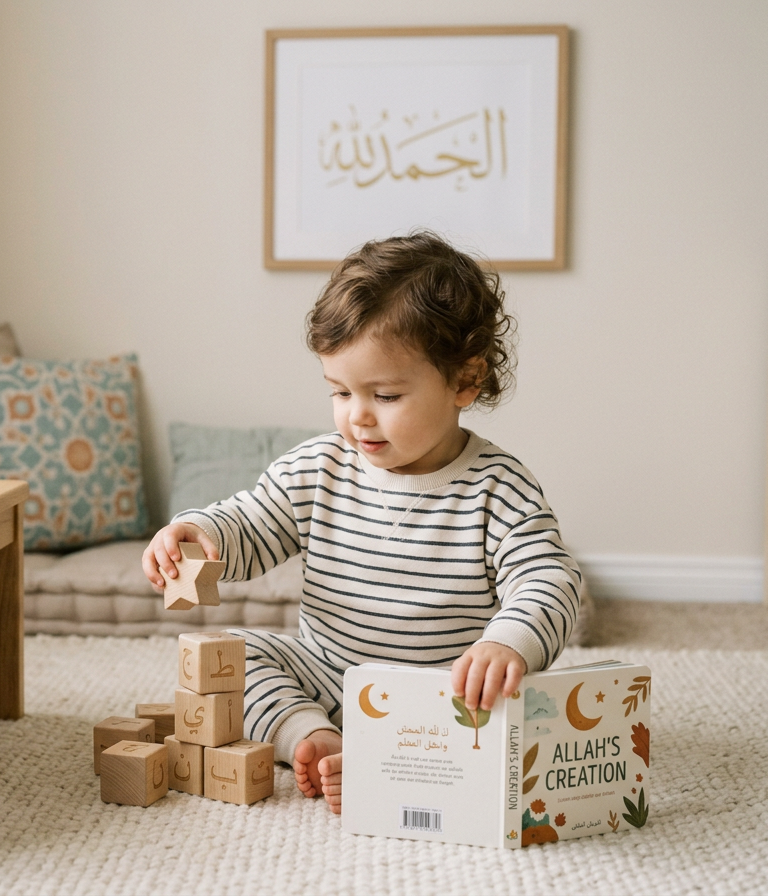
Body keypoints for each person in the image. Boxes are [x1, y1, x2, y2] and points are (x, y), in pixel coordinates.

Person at [141, 232, 581, 814]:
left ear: (465, 381)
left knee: (506, 722)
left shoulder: (499, 489)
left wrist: (508, 643)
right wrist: (203, 532)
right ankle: (311, 737)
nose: (358, 416)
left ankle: (397, 758)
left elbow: (549, 579)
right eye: (341, 391)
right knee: (229, 653)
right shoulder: (317, 467)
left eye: (387, 394)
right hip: (328, 676)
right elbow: (252, 521)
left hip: (444, 694)